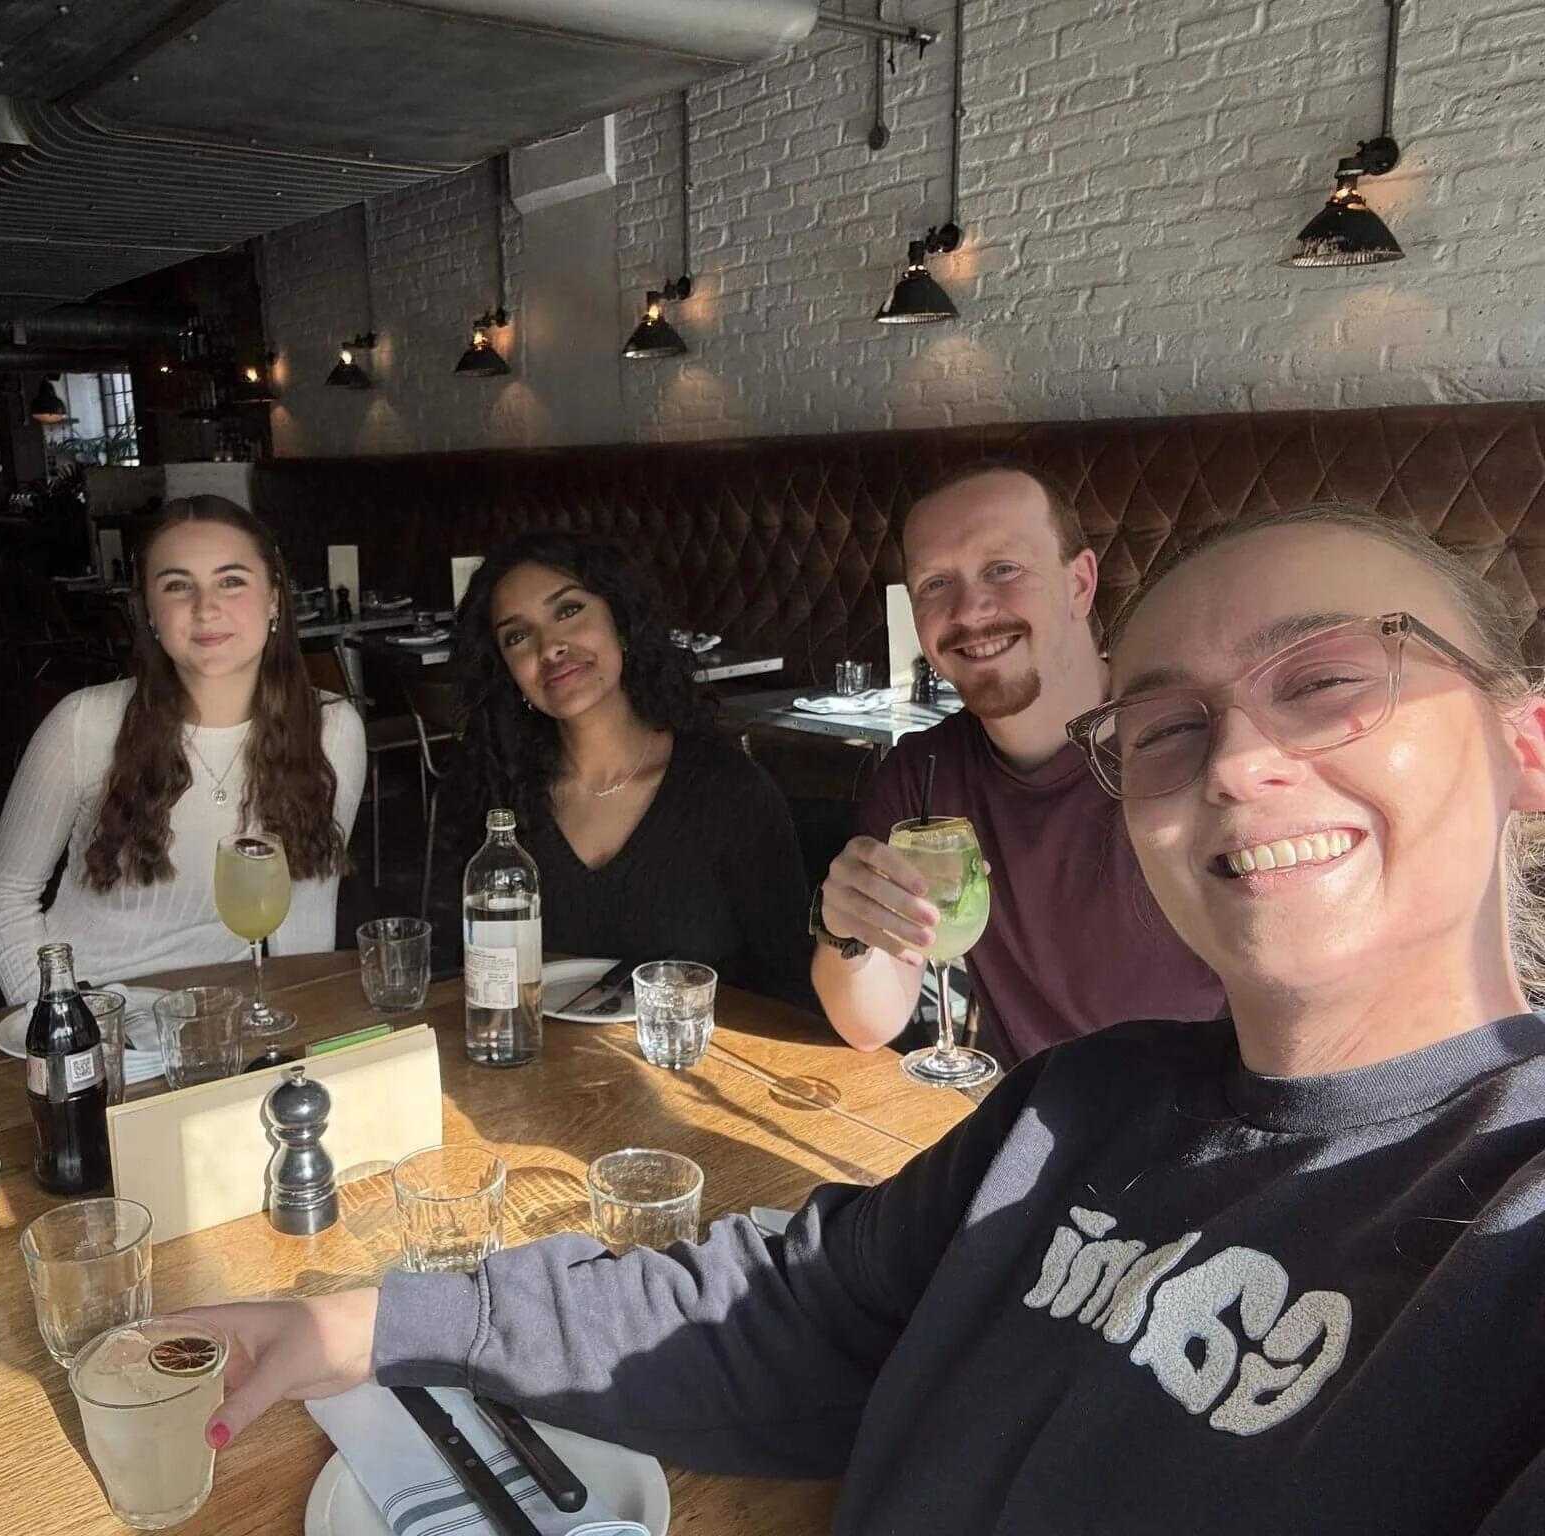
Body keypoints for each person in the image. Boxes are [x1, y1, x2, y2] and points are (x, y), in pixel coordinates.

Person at [175, 504, 1545, 1532]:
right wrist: (366, 1325)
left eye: (1326, 679)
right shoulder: (1079, 1107)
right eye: (1172, 726)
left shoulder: (1509, 1229)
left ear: (1523, 746)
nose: (1242, 763)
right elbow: (780, 1305)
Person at [813, 461, 1223, 1065]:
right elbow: (870, 1026)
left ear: (1080, 583)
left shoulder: (1199, 756)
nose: (971, 611)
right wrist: (846, 929)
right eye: (934, 584)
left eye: (1003, 569)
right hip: (1026, 1126)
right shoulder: (921, 776)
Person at [0, 497, 364, 1004]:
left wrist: (295, 1019)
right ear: (149, 612)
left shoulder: (331, 729)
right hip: (94, 1007)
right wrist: (56, 1018)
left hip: (223, 1013)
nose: (206, 608)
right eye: (178, 586)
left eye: (231, 581)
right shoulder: (83, 723)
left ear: (274, 599)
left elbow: (308, 902)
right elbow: (4, 896)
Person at [445, 531, 813, 1010]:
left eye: (569, 611)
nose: (550, 646)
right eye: (517, 636)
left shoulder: (729, 793)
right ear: (507, 672)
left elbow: (792, 987)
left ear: (620, 622)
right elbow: (476, 977)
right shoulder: (500, 805)